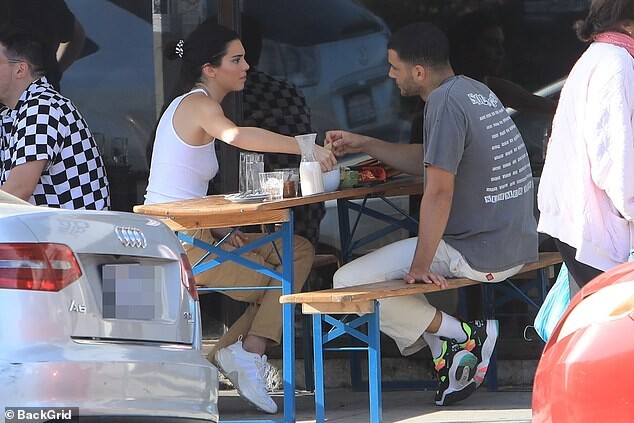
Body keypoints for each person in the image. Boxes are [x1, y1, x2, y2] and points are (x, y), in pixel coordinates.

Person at [325, 22, 538, 406]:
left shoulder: (443, 103)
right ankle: (447, 348)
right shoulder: (472, 90)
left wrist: (420, 266)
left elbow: (438, 191)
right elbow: (428, 158)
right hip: (513, 243)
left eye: (395, 67)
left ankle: (461, 335)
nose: (390, 75)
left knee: (348, 282)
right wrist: (365, 142)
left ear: (418, 72)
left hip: (477, 251)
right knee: (382, 280)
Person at [143, 21, 336, 414]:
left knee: (298, 250)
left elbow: (180, 187)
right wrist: (306, 148)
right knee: (280, 282)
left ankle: (235, 353)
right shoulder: (199, 105)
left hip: (198, 233)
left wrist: (220, 227)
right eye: (237, 59)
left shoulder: (190, 105)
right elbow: (235, 136)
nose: (247, 66)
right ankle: (247, 351)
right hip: (179, 245)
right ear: (210, 69)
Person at [537, 0, 634, 295]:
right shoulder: (616, 63)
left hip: (583, 223)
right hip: (593, 229)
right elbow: (614, 160)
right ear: (627, 22)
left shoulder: (600, 56)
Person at [0, 21, 109, 210]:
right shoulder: (14, 111)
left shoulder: (42, 106)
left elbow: (18, 190)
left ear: (20, 69)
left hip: (75, 229)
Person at [448, 9, 557, 116]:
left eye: (501, 44)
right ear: (466, 49)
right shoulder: (448, 98)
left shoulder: (494, 88)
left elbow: (539, 104)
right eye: (491, 43)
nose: (501, 51)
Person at [0, 0, 85, 91]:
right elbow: (76, 34)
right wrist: (54, 73)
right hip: (40, 88)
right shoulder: (50, 4)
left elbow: (76, 34)